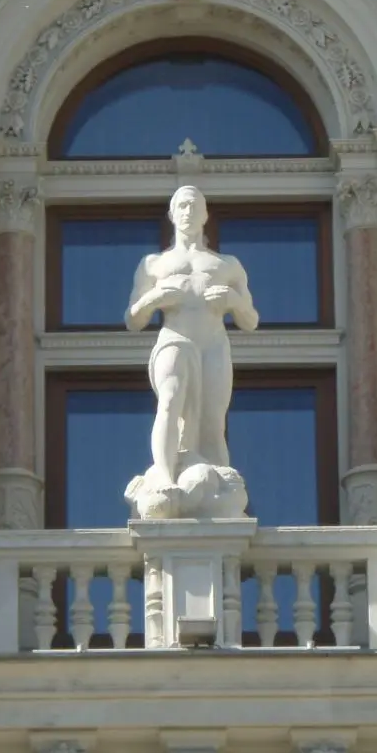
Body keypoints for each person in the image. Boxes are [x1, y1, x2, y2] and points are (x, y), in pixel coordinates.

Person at [124, 185, 258, 518]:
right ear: (172, 214)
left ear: (205, 215)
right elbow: (133, 319)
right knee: (170, 400)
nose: (188, 211)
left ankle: (211, 491)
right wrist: (156, 299)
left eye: (194, 206)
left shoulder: (226, 264)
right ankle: (166, 477)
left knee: (213, 420)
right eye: (182, 206)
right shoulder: (155, 264)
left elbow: (250, 319)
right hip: (174, 338)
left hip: (213, 344)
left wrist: (233, 302)